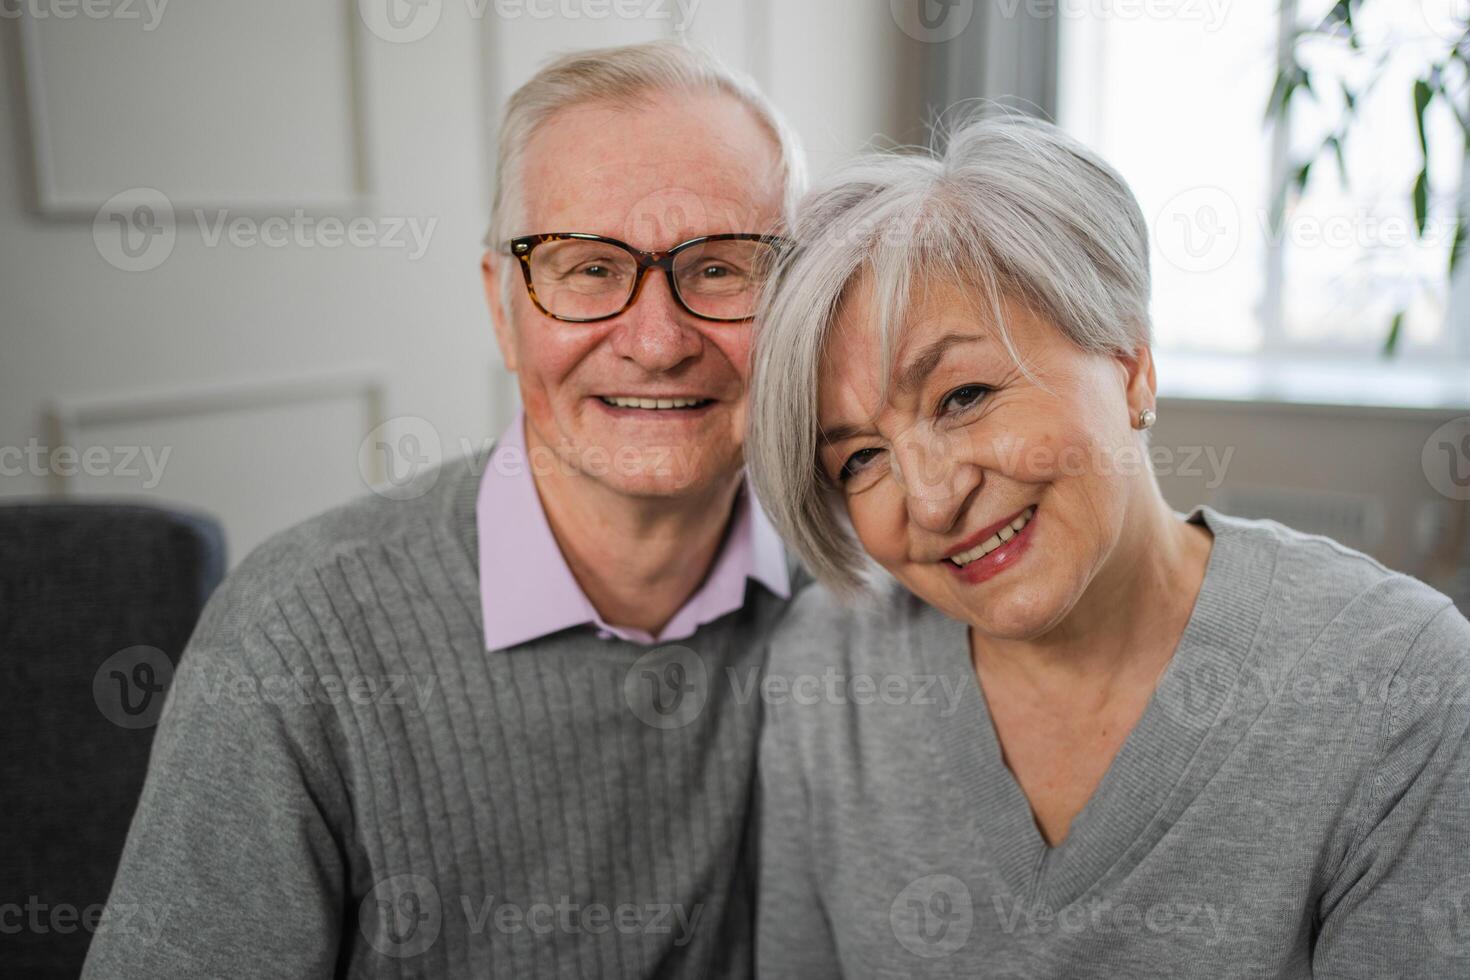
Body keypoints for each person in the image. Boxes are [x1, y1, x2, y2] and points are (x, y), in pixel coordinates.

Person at [83, 40, 806, 979]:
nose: (657, 341)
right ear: (502, 310)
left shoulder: (859, 589)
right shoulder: (294, 638)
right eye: (587, 268)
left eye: (720, 268)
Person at [746, 113, 1470, 977]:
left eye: (965, 395)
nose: (932, 500)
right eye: (861, 457)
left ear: (1130, 363)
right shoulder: (825, 680)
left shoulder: (1400, 686)